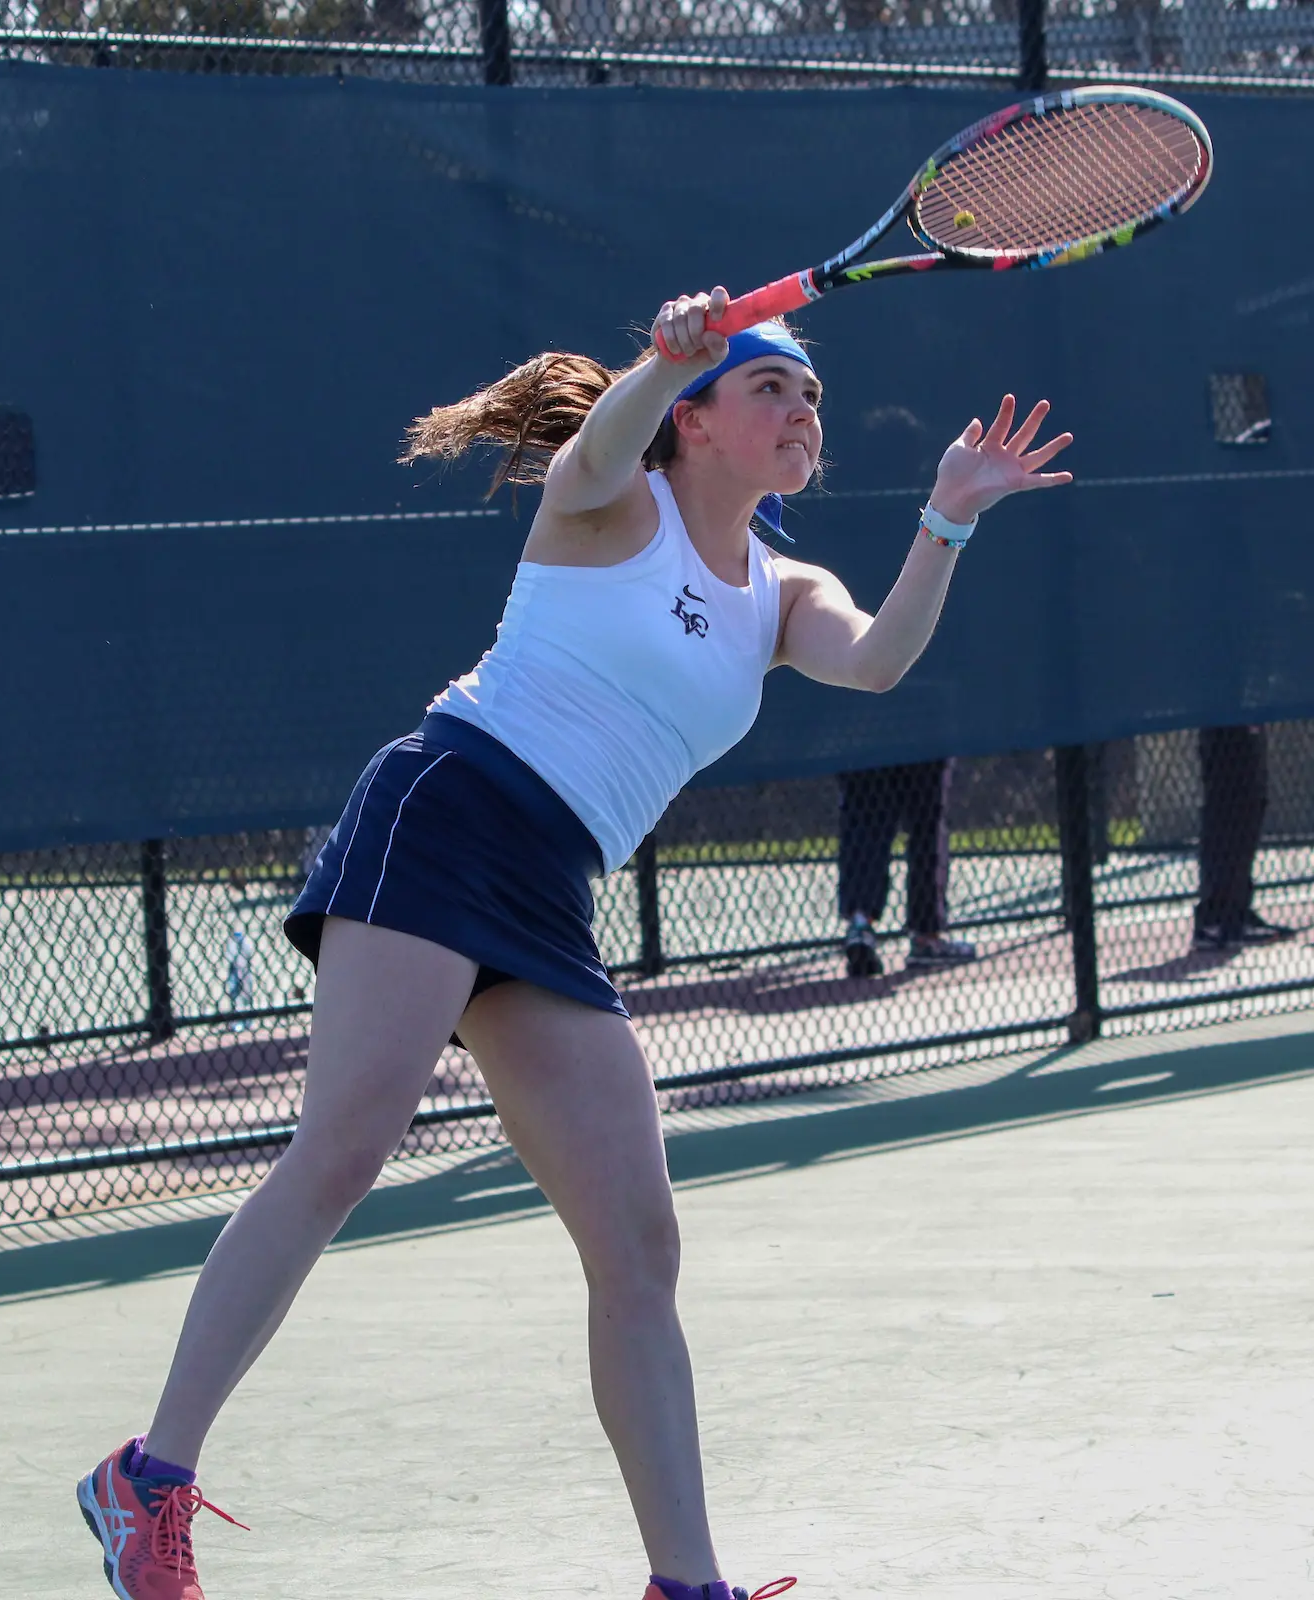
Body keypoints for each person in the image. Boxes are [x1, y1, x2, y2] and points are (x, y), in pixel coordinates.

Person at [72, 287, 1072, 1600]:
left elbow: (878, 659)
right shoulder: (616, 506)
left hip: (548, 885)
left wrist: (949, 516)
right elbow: (603, 446)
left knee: (638, 1244)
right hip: (448, 809)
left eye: (811, 398)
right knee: (347, 1150)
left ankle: (688, 1584)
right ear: (699, 421)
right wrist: (664, 361)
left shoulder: (784, 589)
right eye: (771, 388)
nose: (800, 412)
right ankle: (147, 1480)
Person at [836, 758, 974, 978]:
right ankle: (923, 935)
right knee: (923, 820)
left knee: (871, 815)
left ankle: (863, 925)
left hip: (877, 733)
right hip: (899, 732)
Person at [1192, 724, 1294, 949]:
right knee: (1228, 801)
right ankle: (1216, 918)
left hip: (1245, 709)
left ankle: (1236, 910)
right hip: (1223, 720)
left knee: (1252, 798)